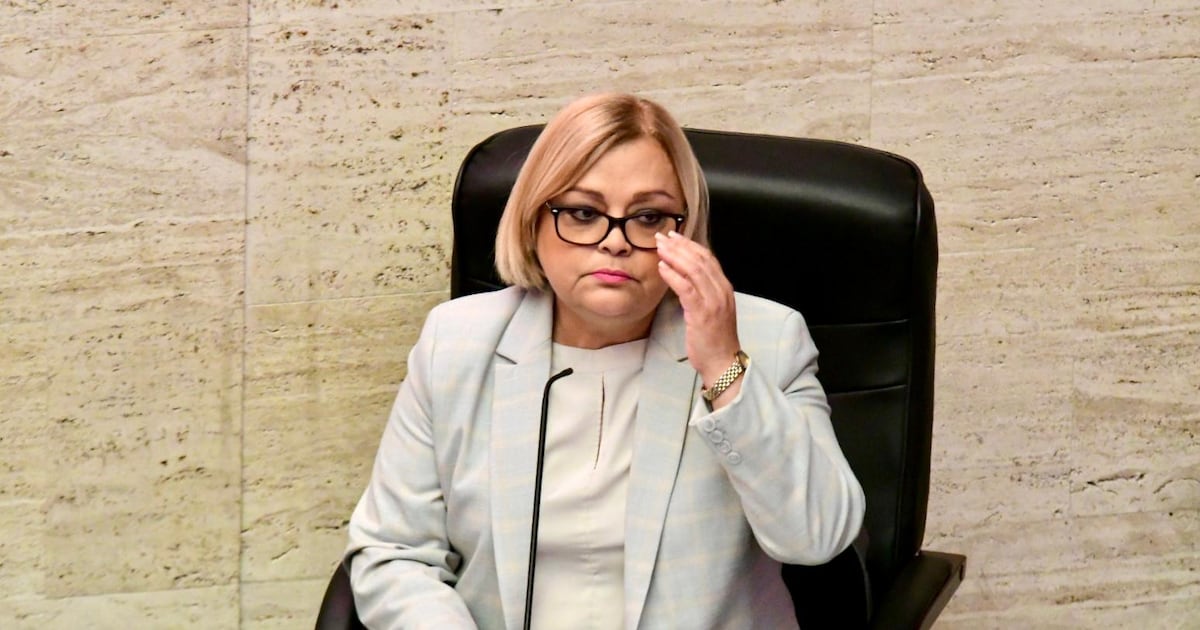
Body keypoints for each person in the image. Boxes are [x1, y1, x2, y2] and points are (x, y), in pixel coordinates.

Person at [344, 92, 865, 629]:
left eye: (648, 217)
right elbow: (395, 552)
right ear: (533, 220)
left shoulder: (767, 340)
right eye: (584, 213)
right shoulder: (455, 343)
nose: (615, 243)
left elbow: (817, 537)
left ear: (683, 231)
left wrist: (723, 368)